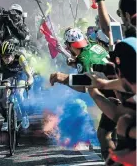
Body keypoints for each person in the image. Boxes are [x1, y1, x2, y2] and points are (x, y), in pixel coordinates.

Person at [50, 27, 118, 160]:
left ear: (70, 46)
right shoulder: (92, 44)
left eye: (68, 47)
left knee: (103, 134)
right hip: (122, 89)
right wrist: (76, 62)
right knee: (115, 131)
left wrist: (63, 79)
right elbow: (94, 61)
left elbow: (84, 86)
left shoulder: (83, 59)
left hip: (114, 96)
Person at [0, 39, 34, 131]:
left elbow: (29, 75)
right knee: (5, 96)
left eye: (7, 56)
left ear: (13, 54)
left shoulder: (20, 57)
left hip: (20, 75)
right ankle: (6, 119)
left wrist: (29, 82)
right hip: (8, 75)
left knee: (19, 93)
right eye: (3, 56)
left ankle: (24, 115)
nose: (5, 59)